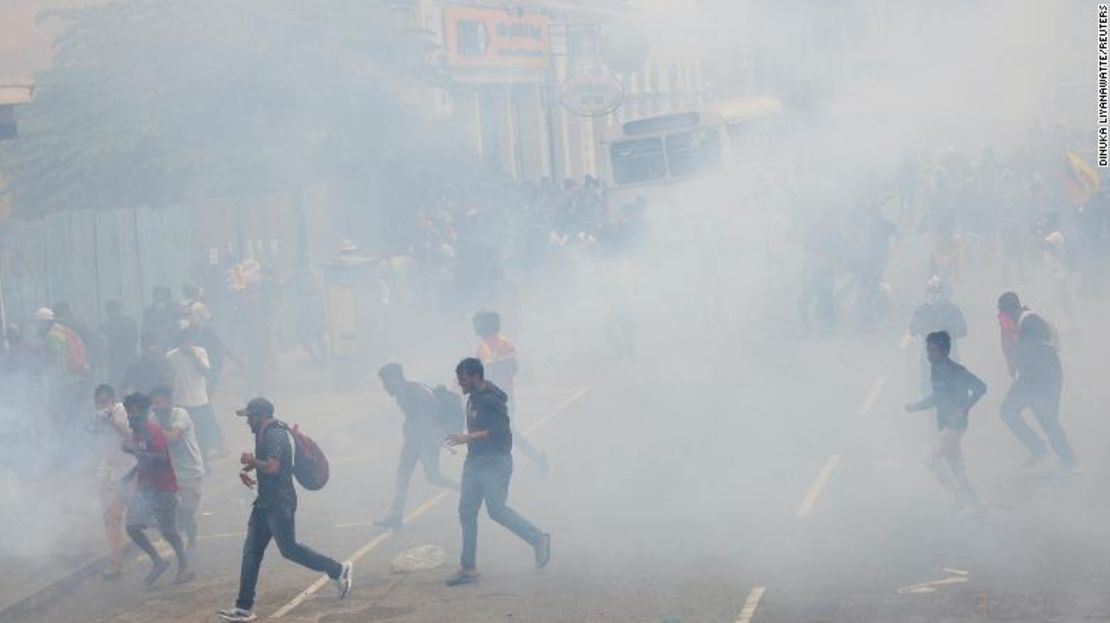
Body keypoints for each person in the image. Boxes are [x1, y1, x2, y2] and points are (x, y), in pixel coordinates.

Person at [218, 398, 352, 623]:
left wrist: (254, 460)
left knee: (289, 550)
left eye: (250, 416)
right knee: (251, 553)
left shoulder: (274, 434)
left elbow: (274, 467)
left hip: (280, 504)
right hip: (264, 503)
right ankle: (243, 608)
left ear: (261, 415)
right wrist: (251, 466)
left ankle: (338, 569)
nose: (247, 421)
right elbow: (269, 464)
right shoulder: (266, 432)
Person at [444, 358, 550, 587]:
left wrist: (466, 438)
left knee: (497, 510)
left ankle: (538, 539)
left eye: (462, 379)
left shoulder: (492, 399)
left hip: (495, 462)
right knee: (466, 512)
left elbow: (499, 430)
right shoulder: (473, 396)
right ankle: (469, 568)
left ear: (474, 376)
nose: (460, 384)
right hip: (474, 462)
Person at [905, 331, 987, 512]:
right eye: (928, 350)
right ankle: (977, 507)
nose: (929, 355)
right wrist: (917, 406)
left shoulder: (957, 371)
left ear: (944, 352)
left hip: (955, 425)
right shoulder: (935, 369)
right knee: (957, 468)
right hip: (943, 423)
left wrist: (964, 408)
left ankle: (957, 493)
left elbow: (981, 387)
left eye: (933, 351)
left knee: (930, 460)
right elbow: (937, 397)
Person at [374, 363, 459, 530]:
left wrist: (429, 438)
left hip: (424, 441)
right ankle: (396, 516)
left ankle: (468, 490)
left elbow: (429, 415)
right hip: (415, 440)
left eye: (386, 382)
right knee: (402, 477)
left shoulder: (413, 393)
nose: (384, 387)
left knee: (433, 477)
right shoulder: (408, 391)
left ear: (395, 379)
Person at [121, 392, 193, 586]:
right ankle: (158, 561)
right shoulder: (136, 432)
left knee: (168, 532)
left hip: (164, 487)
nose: (130, 417)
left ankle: (184, 565)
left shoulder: (154, 430)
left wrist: (134, 451)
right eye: (128, 413)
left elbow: (160, 458)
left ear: (144, 413)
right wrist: (131, 473)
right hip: (145, 488)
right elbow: (144, 458)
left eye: (134, 413)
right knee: (132, 527)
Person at [999, 313, 1080, 473]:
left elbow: (1050, 364)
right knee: (1008, 412)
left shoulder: (1035, 333)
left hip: (1039, 382)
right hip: (1029, 382)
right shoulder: (1021, 331)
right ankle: (1039, 449)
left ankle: (1069, 461)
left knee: (1047, 419)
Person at [472, 310, 548, 475]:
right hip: (506, 396)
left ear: (485, 325)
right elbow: (513, 369)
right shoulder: (506, 343)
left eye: (478, 323)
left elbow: (484, 377)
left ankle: (533, 458)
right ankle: (536, 457)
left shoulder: (484, 348)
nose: (475, 326)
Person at [150, 385, 205, 550]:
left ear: (169, 401)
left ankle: (192, 537)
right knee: (170, 510)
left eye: (159, 402)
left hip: (190, 471)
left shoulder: (180, 414)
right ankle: (180, 541)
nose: (156, 407)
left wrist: (153, 428)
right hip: (169, 472)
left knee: (187, 512)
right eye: (154, 403)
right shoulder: (154, 418)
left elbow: (173, 437)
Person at [90, 385, 133, 579]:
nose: (102, 406)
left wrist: (111, 422)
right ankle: (116, 562)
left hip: (127, 470)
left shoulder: (123, 412)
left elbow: (130, 437)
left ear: (113, 399)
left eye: (106, 401)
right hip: (108, 469)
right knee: (109, 517)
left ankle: (117, 562)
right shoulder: (99, 416)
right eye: (99, 403)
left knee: (117, 516)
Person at [166, 330, 223, 462]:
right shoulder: (171, 356)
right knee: (183, 436)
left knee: (202, 435)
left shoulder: (200, 352)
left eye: (189, 341)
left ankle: (204, 461)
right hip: (180, 402)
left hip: (199, 401)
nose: (186, 344)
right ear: (178, 343)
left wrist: (193, 357)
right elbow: (168, 378)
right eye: (183, 342)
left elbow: (207, 372)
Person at [909, 276, 967, 391]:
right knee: (928, 387)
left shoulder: (952, 309)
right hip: (928, 359)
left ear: (942, 293)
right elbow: (913, 330)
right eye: (931, 292)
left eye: (936, 292)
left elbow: (963, 330)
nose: (933, 295)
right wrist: (923, 324)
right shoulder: (921, 310)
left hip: (949, 356)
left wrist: (948, 330)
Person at [101, 300, 138, 389]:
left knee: (115, 383)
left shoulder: (104, 326)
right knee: (133, 382)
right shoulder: (130, 322)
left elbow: (102, 345)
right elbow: (135, 339)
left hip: (115, 359)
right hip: (129, 356)